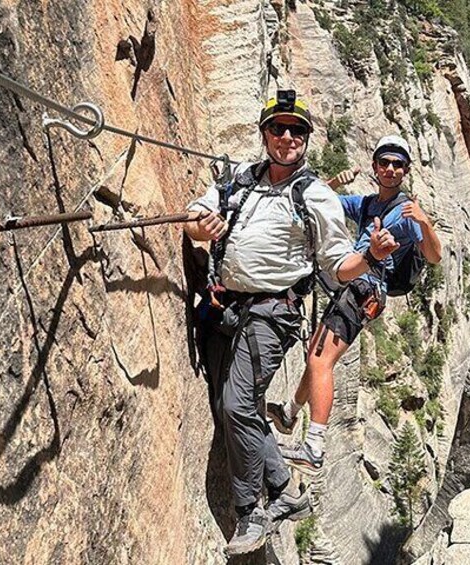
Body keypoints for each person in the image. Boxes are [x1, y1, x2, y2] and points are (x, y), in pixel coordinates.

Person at [184, 92, 399, 555]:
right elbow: (194, 219)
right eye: (278, 128)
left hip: (272, 313)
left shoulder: (316, 195)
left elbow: (337, 265)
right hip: (224, 306)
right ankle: (283, 488)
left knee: (236, 403)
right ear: (264, 134)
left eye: (296, 131)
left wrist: (370, 257)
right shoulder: (238, 178)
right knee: (232, 408)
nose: (287, 137)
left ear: (306, 139)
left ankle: (250, 511)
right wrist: (205, 226)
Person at [270, 135, 443, 474]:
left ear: (405, 171)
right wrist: (335, 181)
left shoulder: (408, 213)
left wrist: (423, 222)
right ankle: (289, 414)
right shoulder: (366, 204)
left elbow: (434, 256)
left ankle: (314, 447)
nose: (390, 169)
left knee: (320, 360)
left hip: (365, 289)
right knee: (317, 354)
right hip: (352, 285)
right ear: (376, 167)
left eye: (397, 165)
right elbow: (323, 199)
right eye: (384, 163)